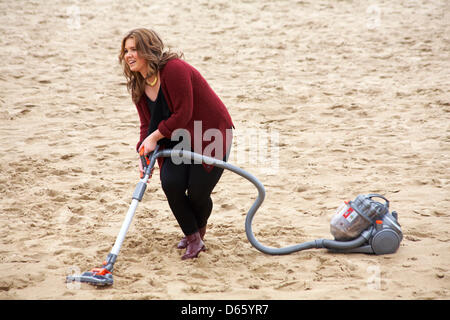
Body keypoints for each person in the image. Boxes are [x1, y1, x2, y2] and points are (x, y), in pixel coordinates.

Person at [119, 28, 234, 260]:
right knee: (171, 183)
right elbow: (146, 125)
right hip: (174, 139)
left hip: (208, 133)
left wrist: (153, 138)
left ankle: (199, 232)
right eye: (125, 51)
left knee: (198, 193)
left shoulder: (174, 69)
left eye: (134, 49)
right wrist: (143, 151)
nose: (128, 55)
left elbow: (184, 113)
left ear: (148, 50)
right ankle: (193, 237)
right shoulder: (138, 85)